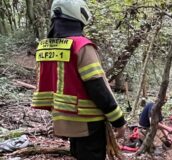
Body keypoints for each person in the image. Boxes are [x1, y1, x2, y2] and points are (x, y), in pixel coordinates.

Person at [31, 0, 126, 159]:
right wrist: (118, 120)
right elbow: (97, 87)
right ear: (79, 15)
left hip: (63, 118)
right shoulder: (81, 45)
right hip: (88, 121)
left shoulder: (44, 47)